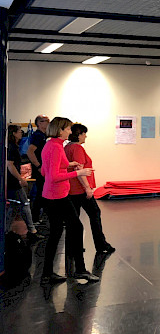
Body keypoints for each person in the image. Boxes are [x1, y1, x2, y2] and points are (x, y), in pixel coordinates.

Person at [40, 117, 99, 284]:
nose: (70, 132)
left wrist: (69, 165)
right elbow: (53, 176)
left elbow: (45, 171)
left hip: (51, 195)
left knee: (56, 233)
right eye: (67, 129)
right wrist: (79, 172)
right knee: (76, 228)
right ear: (60, 130)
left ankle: (46, 274)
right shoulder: (56, 147)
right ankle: (80, 270)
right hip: (58, 196)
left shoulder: (51, 145)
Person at [64, 123, 115, 255]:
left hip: (70, 189)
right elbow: (79, 170)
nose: (85, 136)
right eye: (84, 134)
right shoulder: (77, 148)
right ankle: (101, 244)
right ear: (79, 134)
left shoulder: (67, 147)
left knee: (73, 219)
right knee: (94, 213)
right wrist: (87, 187)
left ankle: (73, 246)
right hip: (79, 189)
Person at [6, 125, 39, 238]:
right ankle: (32, 230)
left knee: (14, 205)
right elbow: (10, 165)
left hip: (11, 180)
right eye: (19, 131)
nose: (21, 133)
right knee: (24, 203)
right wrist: (20, 179)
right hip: (13, 181)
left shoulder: (12, 146)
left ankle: (6, 230)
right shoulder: (12, 147)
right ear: (14, 133)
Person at [27, 114, 50, 223]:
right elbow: (30, 151)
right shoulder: (38, 136)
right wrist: (38, 166)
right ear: (39, 123)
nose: (48, 123)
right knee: (41, 193)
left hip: (44, 168)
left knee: (44, 192)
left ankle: (42, 217)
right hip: (40, 169)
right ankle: (35, 218)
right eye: (46, 121)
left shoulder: (45, 135)